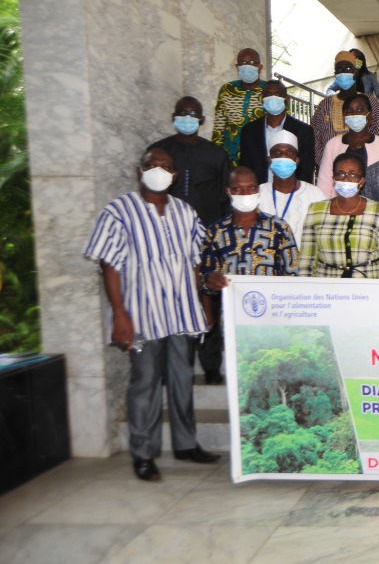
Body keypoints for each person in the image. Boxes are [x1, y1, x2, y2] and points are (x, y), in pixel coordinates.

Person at [83, 149, 219, 482]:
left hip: (181, 312)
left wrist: (204, 305)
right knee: (144, 383)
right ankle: (143, 454)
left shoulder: (185, 211)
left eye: (167, 167)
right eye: (153, 166)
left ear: (174, 176)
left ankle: (186, 444)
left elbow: (197, 261)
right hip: (142, 314)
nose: (160, 171)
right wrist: (119, 315)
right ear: (139, 170)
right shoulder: (118, 212)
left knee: (182, 378)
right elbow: (109, 265)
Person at [199, 166, 300, 384]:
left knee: (272, 377)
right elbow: (204, 276)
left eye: (251, 188)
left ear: (258, 190)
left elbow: (293, 273)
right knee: (241, 381)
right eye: (238, 189)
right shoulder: (215, 231)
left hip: (273, 321)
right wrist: (210, 280)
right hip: (232, 322)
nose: (245, 194)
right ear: (228, 192)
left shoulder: (279, 228)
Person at [298, 153, 379, 279]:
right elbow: (306, 261)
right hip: (326, 290)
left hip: (368, 289)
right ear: (333, 179)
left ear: (362, 181)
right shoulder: (315, 210)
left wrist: (378, 293)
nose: (346, 179)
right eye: (340, 173)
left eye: (352, 174)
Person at [148, 96, 231, 227]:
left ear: (202, 120)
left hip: (207, 225)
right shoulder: (158, 152)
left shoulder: (217, 154)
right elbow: (147, 190)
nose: (187, 118)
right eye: (182, 113)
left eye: (193, 114)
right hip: (165, 224)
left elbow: (226, 197)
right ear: (173, 116)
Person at [313, 51, 379, 162]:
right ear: (335, 74)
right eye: (339, 70)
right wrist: (326, 166)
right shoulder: (324, 105)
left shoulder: (371, 102)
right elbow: (315, 140)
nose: (343, 73)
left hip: (368, 167)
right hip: (332, 171)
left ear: (356, 73)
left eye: (348, 69)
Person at [238, 79, 316, 183]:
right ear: (262, 100)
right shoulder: (249, 131)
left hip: (292, 193)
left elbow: (306, 170)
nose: (273, 98)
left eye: (278, 94)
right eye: (268, 94)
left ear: (286, 100)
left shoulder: (304, 131)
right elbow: (245, 167)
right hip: (259, 193)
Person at [317, 93, 379, 197]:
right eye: (349, 111)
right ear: (344, 116)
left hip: (372, 207)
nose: (354, 114)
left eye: (360, 110)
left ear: (369, 116)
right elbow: (324, 183)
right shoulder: (332, 144)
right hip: (338, 206)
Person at [257, 131, 328, 235]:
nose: (283, 157)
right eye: (277, 153)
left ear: (297, 160)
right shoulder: (257, 194)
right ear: (269, 160)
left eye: (289, 153)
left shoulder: (316, 195)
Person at [212, 48, 266, 165]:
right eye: (242, 62)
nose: (247, 66)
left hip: (261, 156)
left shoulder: (269, 90)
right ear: (237, 67)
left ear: (260, 67)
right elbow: (219, 127)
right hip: (231, 158)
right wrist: (216, 156)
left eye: (252, 62)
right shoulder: (227, 89)